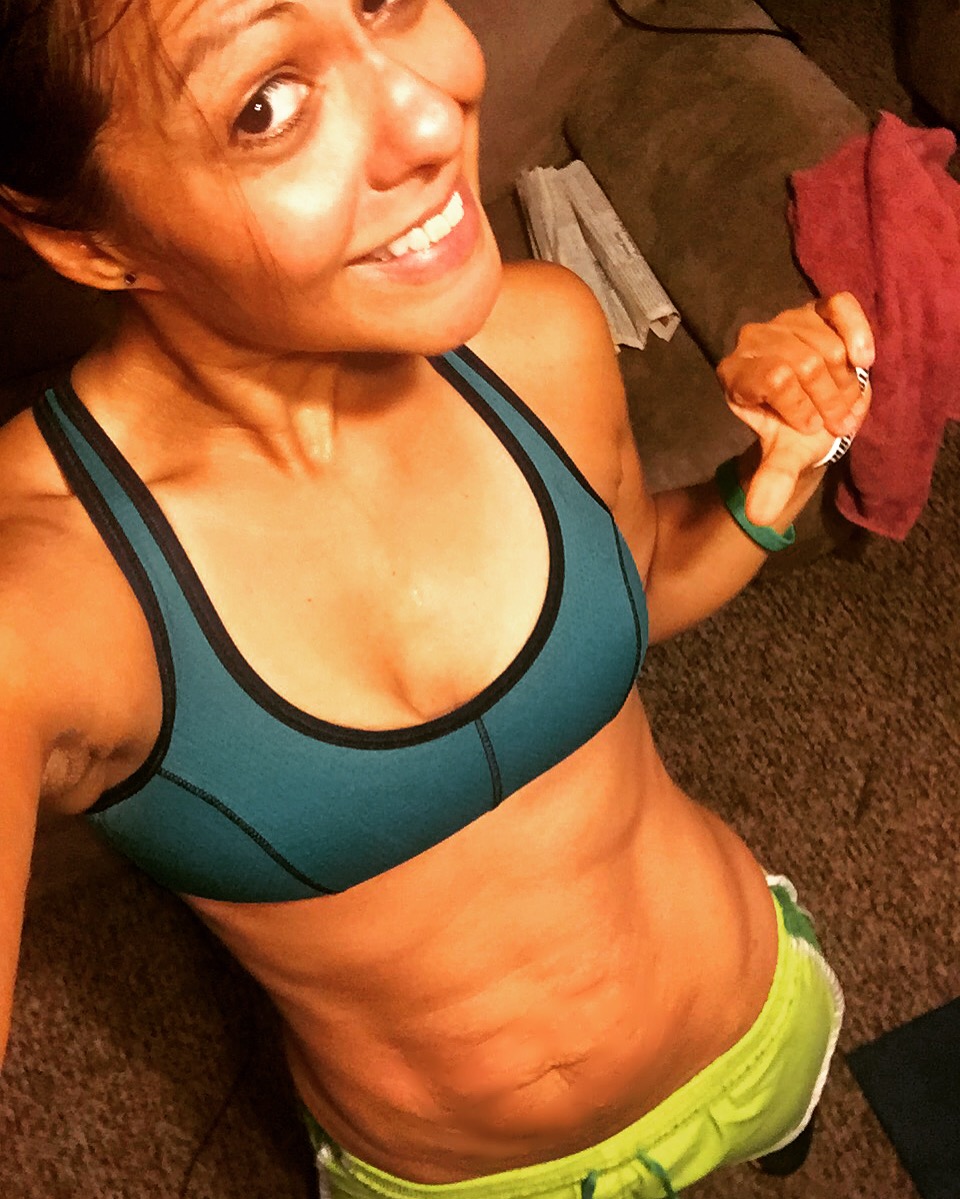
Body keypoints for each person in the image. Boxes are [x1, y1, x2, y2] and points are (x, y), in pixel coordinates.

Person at [0, 2, 875, 1196]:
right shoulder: (43, 592)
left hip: (752, 1014)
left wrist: (773, 483)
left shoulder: (540, 335)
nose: (431, 110)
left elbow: (639, 585)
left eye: (382, 0)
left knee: (794, 1139)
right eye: (266, 105)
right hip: (461, 1175)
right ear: (89, 242)